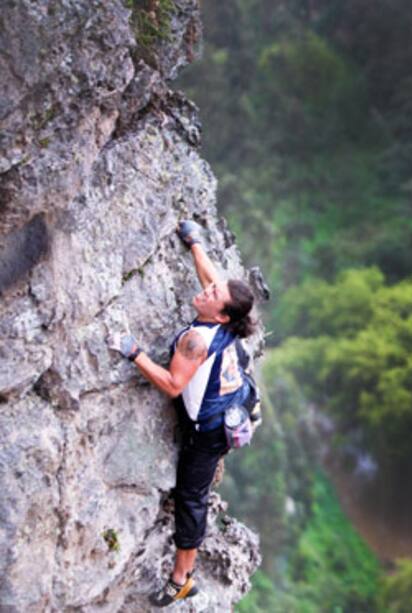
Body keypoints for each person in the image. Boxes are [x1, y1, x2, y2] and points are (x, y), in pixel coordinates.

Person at [109, 220, 256, 607]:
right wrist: (194, 244)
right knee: (195, 492)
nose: (206, 290)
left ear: (222, 315)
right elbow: (213, 278)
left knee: (192, 498)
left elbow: (174, 385)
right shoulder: (231, 322)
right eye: (211, 288)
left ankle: (182, 579)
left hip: (208, 433)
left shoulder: (196, 340)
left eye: (212, 295)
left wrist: (133, 352)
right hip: (232, 406)